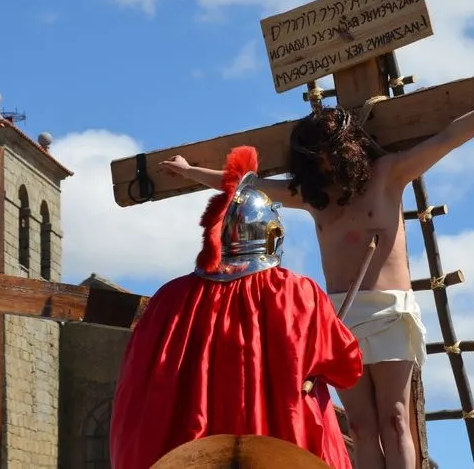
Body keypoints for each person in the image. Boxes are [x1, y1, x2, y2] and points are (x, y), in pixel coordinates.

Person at [161, 76, 474, 468]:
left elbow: (449, 136)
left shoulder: (387, 175)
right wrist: (190, 171)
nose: (323, 164)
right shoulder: (311, 197)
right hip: (339, 317)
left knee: (394, 419)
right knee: (360, 425)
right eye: (314, 157)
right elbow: (245, 186)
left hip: (391, 311)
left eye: (328, 154)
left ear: (347, 151)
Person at [110, 145, 364, 469]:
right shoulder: (297, 293)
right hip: (285, 446)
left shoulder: (170, 299)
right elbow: (347, 368)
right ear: (271, 235)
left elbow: (136, 387)